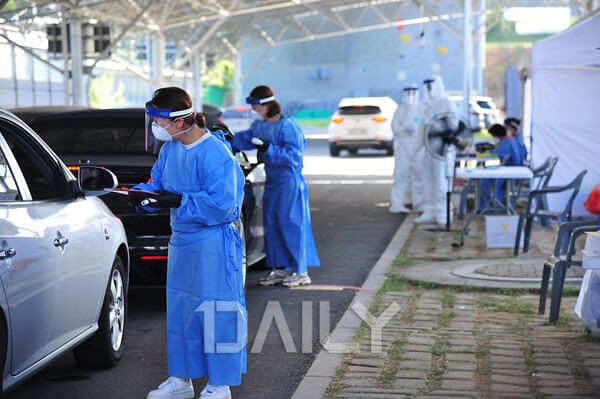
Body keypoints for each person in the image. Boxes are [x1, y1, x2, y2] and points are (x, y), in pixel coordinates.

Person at [134, 87, 246, 399]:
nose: (155, 126)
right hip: (182, 243)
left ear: (181, 122)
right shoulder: (170, 149)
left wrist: (181, 200)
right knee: (182, 311)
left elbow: (225, 205)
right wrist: (144, 196)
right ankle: (181, 379)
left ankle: (220, 384)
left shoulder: (215, 154)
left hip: (212, 244)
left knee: (217, 311)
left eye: (159, 120)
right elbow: (158, 182)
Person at [231, 85, 320, 287]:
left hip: (289, 182)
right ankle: (280, 268)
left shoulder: (288, 126)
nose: (254, 110)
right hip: (272, 181)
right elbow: (243, 139)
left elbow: (294, 157)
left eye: (257, 106)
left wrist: (269, 148)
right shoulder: (260, 126)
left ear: (268, 104)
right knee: (272, 224)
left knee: (291, 224)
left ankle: (300, 271)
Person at [415, 74, 455, 226]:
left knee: (440, 180)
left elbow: (453, 124)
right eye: (428, 87)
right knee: (428, 179)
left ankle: (443, 213)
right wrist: (417, 146)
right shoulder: (427, 105)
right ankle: (429, 210)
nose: (430, 90)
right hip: (428, 149)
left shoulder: (445, 102)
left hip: (441, 149)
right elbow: (421, 127)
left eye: (432, 86)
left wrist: (437, 125)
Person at [389, 84, 423, 213]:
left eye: (413, 93)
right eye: (408, 93)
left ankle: (419, 203)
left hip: (418, 145)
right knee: (400, 175)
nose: (410, 96)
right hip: (403, 146)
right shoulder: (400, 110)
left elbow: (424, 126)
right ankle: (397, 204)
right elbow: (394, 127)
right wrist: (404, 129)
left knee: (418, 175)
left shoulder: (421, 109)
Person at [479, 123, 527, 209]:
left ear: (496, 135)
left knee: (485, 181)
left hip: (509, 174)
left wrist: (489, 150)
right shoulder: (512, 140)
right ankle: (491, 206)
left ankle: (488, 207)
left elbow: (499, 154)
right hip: (514, 172)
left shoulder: (506, 143)